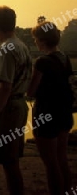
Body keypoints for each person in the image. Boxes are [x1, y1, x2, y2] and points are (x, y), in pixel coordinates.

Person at [0, 6, 32, 195]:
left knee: (8, 161)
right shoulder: (21, 45)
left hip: (8, 107)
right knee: (12, 158)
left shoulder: (6, 49)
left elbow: (4, 85)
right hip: (19, 104)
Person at [27, 22, 73, 195]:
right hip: (64, 113)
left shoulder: (42, 62)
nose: (35, 42)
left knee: (50, 163)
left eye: (36, 39)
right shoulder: (64, 58)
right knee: (62, 160)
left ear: (42, 40)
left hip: (46, 114)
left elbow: (31, 91)